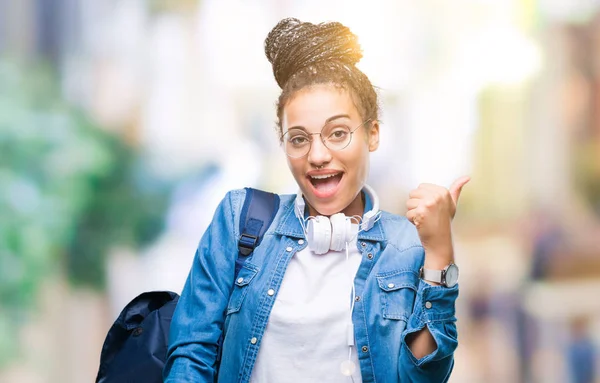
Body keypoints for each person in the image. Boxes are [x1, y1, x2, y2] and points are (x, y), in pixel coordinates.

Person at [163, 17, 469, 383]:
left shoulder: (405, 245)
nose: (318, 155)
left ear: (372, 134)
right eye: (298, 138)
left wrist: (438, 254)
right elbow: (191, 352)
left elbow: (422, 378)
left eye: (338, 133)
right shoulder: (240, 221)